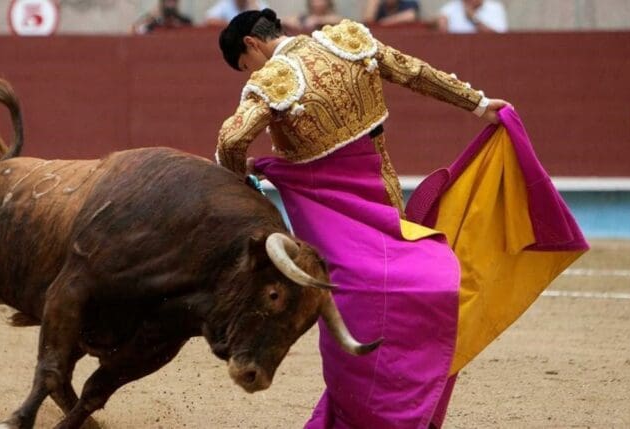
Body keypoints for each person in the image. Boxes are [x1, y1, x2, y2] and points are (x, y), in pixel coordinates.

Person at [214, 8, 586, 428]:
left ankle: (367, 409)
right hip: (382, 194)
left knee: (356, 304)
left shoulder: (270, 80)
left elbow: (231, 139)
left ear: (252, 44)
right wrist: (479, 105)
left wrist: (240, 181)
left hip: (332, 215)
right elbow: (416, 72)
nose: (250, 72)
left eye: (246, 66)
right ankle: (407, 387)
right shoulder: (347, 40)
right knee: (400, 289)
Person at [437, 0, 508, 33]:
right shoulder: (450, 8)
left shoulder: (495, 8)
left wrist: (474, 19)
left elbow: (500, 37)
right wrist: (440, 26)